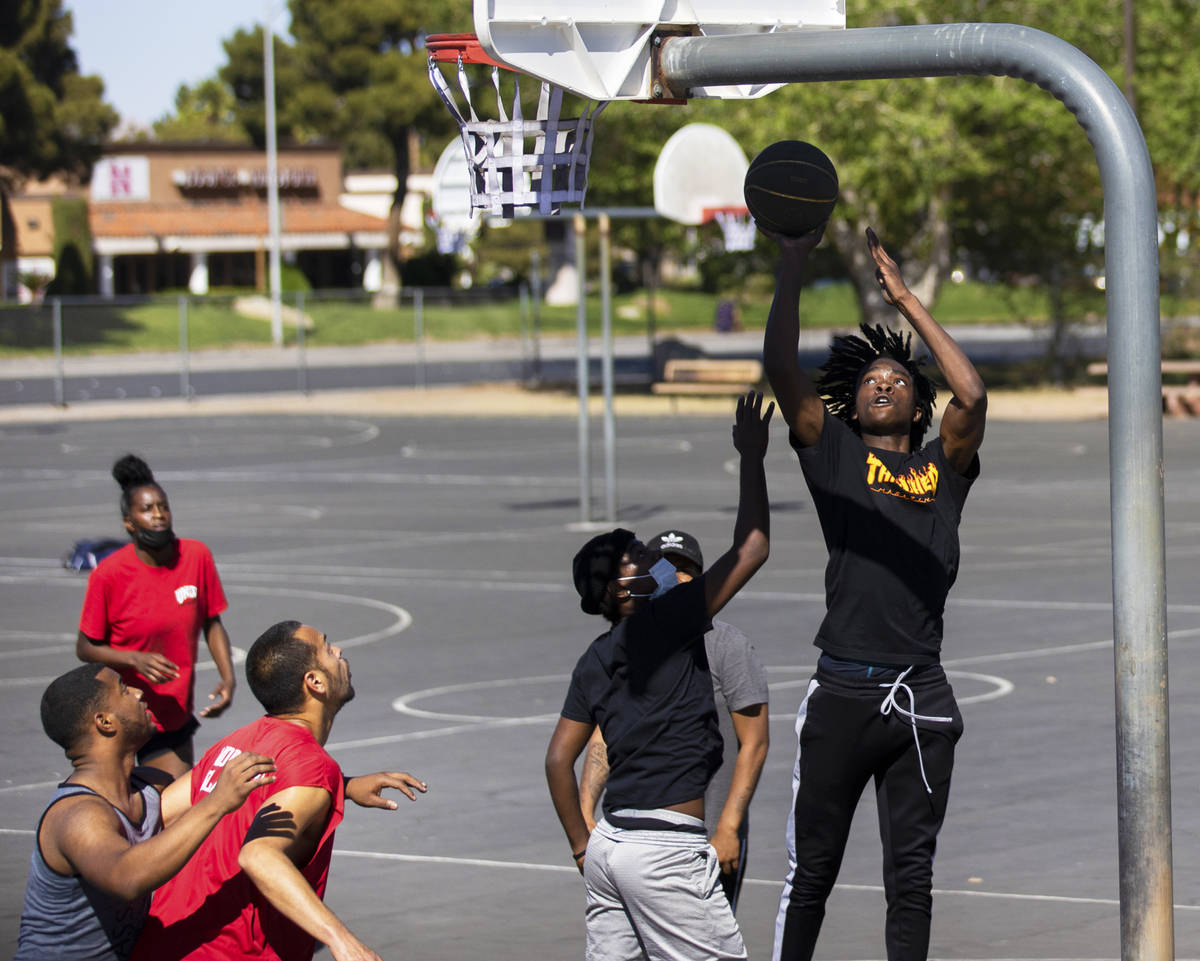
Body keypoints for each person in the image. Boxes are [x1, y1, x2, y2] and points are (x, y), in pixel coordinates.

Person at [761, 224, 987, 961]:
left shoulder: (941, 471)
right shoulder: (836, 457)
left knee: (911, 879)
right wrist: (794, 262)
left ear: (917, 405)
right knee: (813, 870)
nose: (882, 380)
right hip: (845, 693)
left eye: (897, 377)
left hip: (920, 695)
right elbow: (783, 371)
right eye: (868, 380)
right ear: (852, 408)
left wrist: (906, 300)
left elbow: (973, 393)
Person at [545, 390, 773, 961]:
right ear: (628, 587)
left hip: (610, 844)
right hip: (662, 848)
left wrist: (582, 844)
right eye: (645, 561)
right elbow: (752, 549)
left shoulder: (596, 656)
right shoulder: (669, 622)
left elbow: (556, 760)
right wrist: (751, 456)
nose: (660, 566)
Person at [133, 620, 429, 961]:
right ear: (314, 682)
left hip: (164, 944)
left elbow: (158, 814)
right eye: (328, 648)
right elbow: (259, 855)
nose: (339, 652)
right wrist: (343, 941)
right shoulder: (312, 768)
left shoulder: (234, 745)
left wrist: (342, 787)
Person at [15, 663, 277, 961]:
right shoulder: (77, 814)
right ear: (105, 722)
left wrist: (340, 783)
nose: (139, 693)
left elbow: (220, 776)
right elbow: (127, 877)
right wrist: (216, 802)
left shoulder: (149, 787)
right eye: (125, 689)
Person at [578, 528, 769, 913]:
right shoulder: (630, 644)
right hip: (637, 837)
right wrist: (584, 816)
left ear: (702, 579)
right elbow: (602, 735)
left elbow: (755, 743)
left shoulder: (727, 644)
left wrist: (729, 827)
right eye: (666, 565)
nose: (677, 576)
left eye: (686, 570)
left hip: (708, 839)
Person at [76, 453, 237, 777]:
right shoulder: (109, 574)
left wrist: (228, 678)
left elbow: (211, 622)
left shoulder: (195, 556)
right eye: (147, 509)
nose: (159, 515)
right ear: (129, 522)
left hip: (171, 713)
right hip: (118, 715)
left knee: (176, 809)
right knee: (124, 809)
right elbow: (86, 647)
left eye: (163, 507)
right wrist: (135, 660)